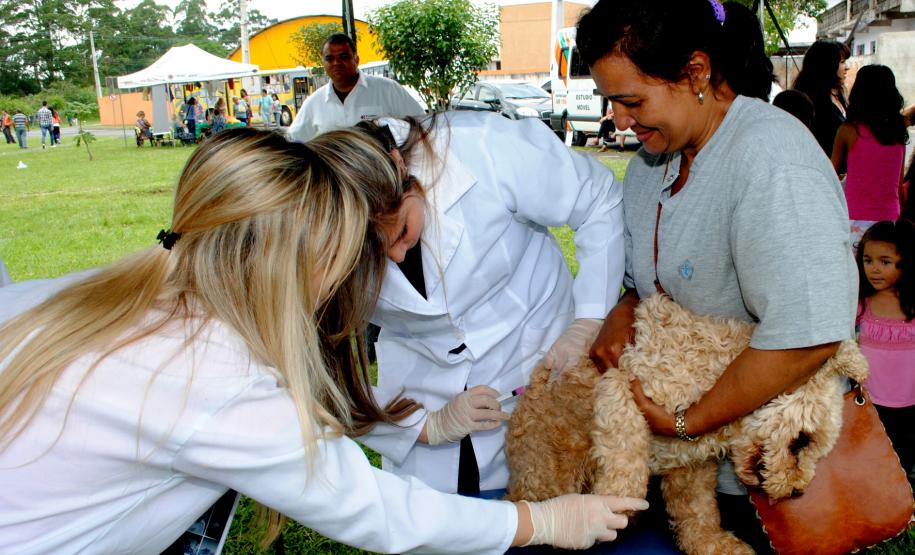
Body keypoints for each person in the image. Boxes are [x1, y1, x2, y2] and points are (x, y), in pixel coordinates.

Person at [0, 127, 645, 554]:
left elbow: (593, 202)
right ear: (287, 266)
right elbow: (371, 508)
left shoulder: (84, 290)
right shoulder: (213, 377)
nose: (354, 282)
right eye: (342, 266)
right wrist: (544, 522)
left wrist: (588, 319)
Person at [577, 1, 856, 553]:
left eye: (632, 100)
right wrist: (625, 308)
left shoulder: (772, 161)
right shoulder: (648, 169)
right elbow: (656, 281)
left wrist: (688, 421)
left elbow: (809, 332)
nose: (621, 120)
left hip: (761, 477)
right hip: (680, 470)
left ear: (697, 73)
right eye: (610, 101)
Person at [855, 220, 915, 483]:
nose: (874, 269)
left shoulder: (912, 305)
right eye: (868, 260)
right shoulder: (863, 301)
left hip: (910, 403)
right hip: (870, 400)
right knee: (874, 458)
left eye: (885, 261)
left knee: (903, 459)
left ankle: (902, 506)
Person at [287, 33, 424, 142]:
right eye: (329, 58)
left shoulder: (387, 90)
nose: (336, 63)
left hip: (383, 174)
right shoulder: (314, 103)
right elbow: (292, 139)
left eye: (344, 56)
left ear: (356, 60)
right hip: (337, 176)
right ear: (323, 63)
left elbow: (421, 124)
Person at [831, 64, 908, 246]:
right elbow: (898, 184)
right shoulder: (898, 131)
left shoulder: (848, 130)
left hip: (854, 218)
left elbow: (830, 174)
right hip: (890, 217)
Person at [793, 40, 849, 155]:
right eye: (842, 62)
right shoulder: (814, 105)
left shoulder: (834, 98)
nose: (847, 67)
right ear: (828, 65)